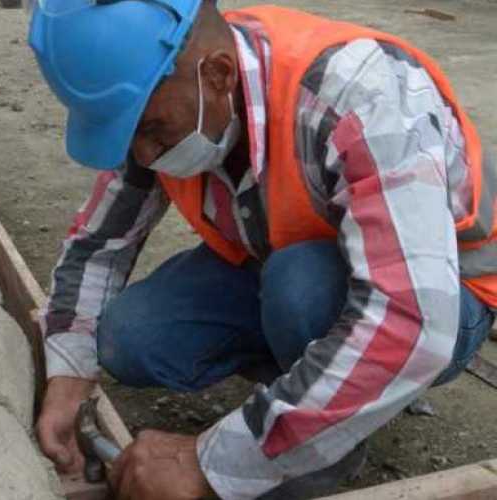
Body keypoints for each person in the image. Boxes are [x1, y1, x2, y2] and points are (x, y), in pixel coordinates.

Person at [26, 1, 497, 498]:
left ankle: (321, 450)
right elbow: (99, 243)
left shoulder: (360, 96)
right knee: (131, 334)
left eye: (152, 129)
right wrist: (68, 374)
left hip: (443, 295)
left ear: (220, 74)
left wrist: (210, 461)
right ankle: (315, 393)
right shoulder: (166, 93)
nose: (143, 155)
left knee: (301, 288)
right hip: (283, 262)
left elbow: (414, 321)